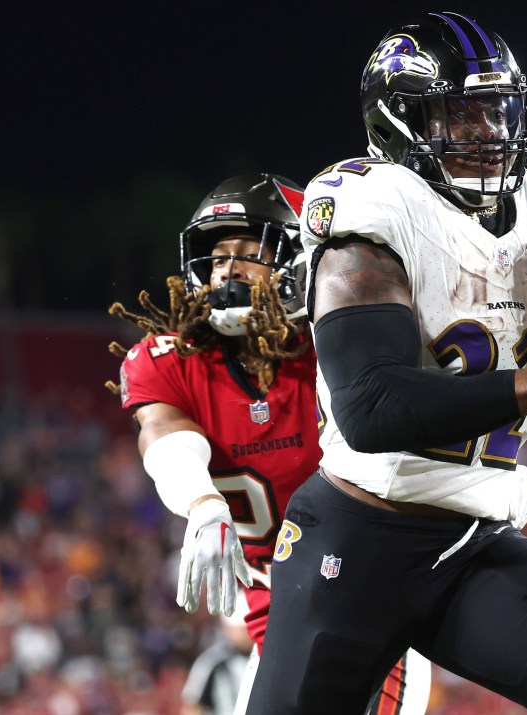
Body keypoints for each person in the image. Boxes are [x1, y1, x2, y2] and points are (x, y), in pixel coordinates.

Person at [247, 11, 527, 715]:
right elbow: (371, 405)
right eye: (462, 112)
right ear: (401, 120)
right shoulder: (371, 207)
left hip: (470, 540)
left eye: (496, 111)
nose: (488, 132)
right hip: (357, 539)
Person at [105, 173, 430, 715]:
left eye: (249, 252)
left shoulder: (340, 347)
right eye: (216, 256)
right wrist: (202, 503)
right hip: (273, 611)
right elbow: (163, 434)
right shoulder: (170, 360)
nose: (227, 269)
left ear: (300, 260)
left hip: (365, 597)